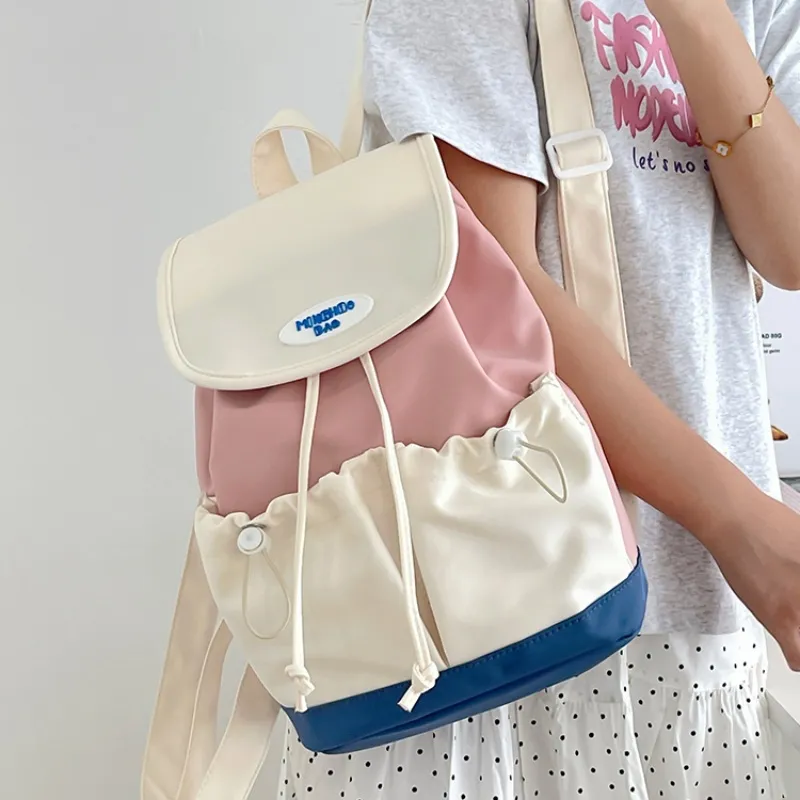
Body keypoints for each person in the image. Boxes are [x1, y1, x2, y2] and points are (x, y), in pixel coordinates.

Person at [278, 0, 800, 796]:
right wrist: (740, 523)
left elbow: (787, 247)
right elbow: (495, 292)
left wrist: (695, 18)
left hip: (703, 589)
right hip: (505, 592)